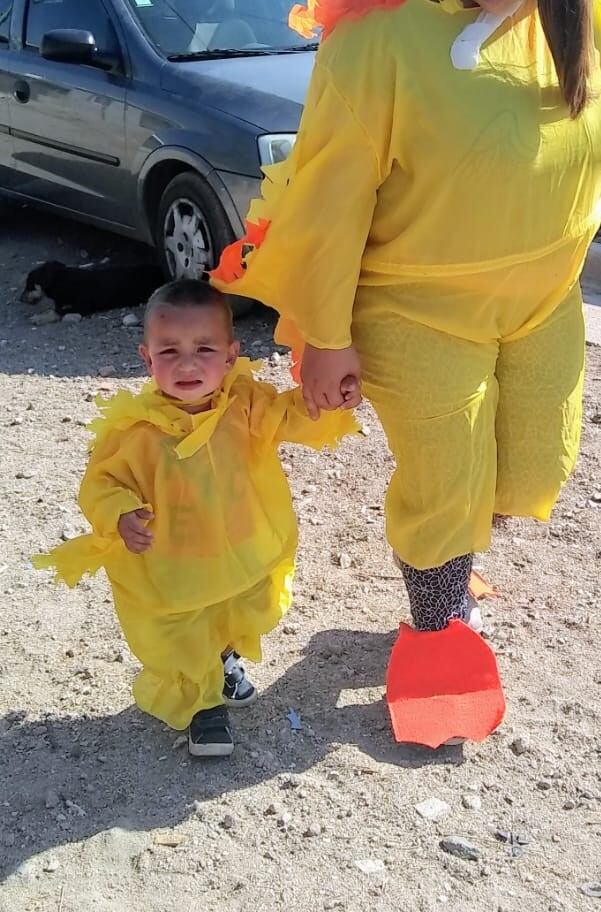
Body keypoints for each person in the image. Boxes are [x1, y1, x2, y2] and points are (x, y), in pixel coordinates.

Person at [212, 0, 601, 743]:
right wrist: (326, 332)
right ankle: (436, 629)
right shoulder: (380, 30)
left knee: (531, 466)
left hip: (542, 297)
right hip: (414, 305)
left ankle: (452, 565)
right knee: (445, 477)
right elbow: (331, 193)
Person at [34, 279, 359, 757]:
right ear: (147, 359)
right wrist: (121, 513)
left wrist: (324, 399)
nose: (187, 363)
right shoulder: (135, 433)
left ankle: (221, 657)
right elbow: (101, 483)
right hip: (174, 565)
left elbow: (290, 416)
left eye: (203, 348)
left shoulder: (247, 405)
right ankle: (201, 706)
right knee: (182, 631)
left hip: (240, 550)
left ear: (230, 357)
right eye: (170, 351)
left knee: (244, 607)